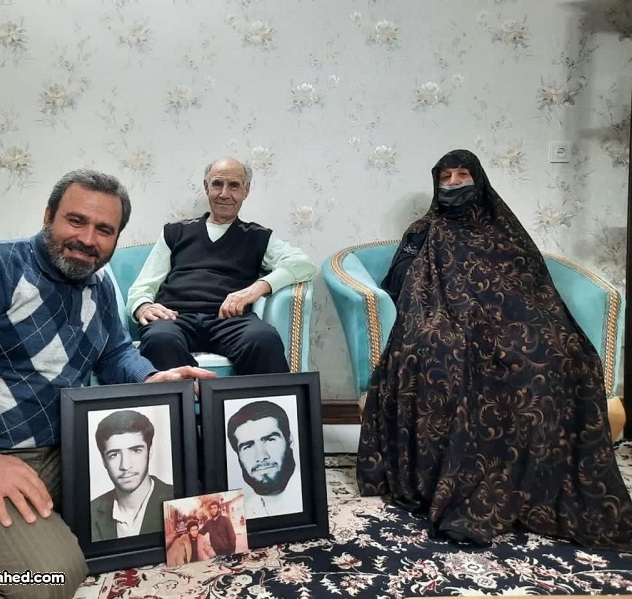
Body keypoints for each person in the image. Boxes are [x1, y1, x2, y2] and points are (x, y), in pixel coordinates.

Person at [0, 169, 215, 599]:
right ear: (48, 216)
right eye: (76, 221)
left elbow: (114, 352)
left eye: (104, 230)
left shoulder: (100, 283)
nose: (87, 239)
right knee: (52, 579)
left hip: (59, 453)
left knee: (151, 522)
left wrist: (151, 377)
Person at [358, 149, 632, 549]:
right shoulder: (423, 230)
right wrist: (425, 271)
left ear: (479, 181)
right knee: (439, 350)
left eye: (462, 175)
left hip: (507, 322)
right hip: (445, 318)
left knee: (562, 352)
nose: (453, 183)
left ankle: (537, 479)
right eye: (445, 177)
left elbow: (533, 286)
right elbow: (397, 283)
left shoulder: (504, 229)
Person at [126, 156, 315, 375]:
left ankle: (258, 402)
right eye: (217, 184)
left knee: (264, 339)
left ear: (246, 190)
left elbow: (303, 264)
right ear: (206, 187)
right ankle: (194, 398)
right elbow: (142, 286)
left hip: (231, 320)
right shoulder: (175, 232)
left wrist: (255, 289)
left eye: (234, 185)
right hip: (175, 317)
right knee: (159, 339)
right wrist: (142, 306)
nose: (224, 193)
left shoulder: (257, 236)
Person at [90, 409, 173, 541]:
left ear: (150, 452)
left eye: (136, 450)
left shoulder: (177, 499)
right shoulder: (89, 512)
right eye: (114, 455)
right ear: (104, 461)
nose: (125, 465)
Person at [226, 400, 302, 519]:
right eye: (248, 446)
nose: (261, 456)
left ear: (290, 440)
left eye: (270, 440)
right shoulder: (246, 511)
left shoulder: (309, 497)